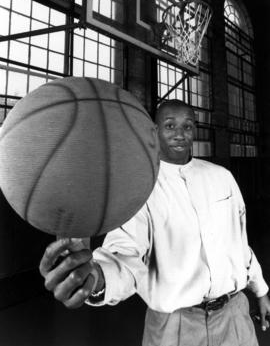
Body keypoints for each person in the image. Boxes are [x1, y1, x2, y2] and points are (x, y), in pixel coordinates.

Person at [40, 99, 270, 346]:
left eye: (188, 126)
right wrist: (96, 277)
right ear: (155, 130)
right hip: (175, 326)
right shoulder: (139, 187)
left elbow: (240, 245)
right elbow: (124, 256)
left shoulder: (222, 177)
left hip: (235, 316)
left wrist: (262, 291)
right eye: (170, 126)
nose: (180, 134)